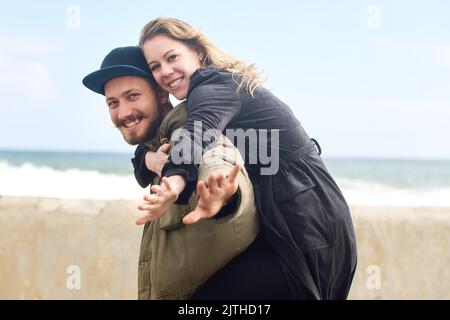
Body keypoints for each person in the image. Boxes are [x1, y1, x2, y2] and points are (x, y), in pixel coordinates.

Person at [132, 17, 357, 299]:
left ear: (197, 51)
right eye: (155, 66)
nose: (166, 71)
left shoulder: (215, 83)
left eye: (172, 57)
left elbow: (198, 131)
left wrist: (174, 183)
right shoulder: (204, 94)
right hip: (282, 217)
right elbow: (162, 139)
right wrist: (150, 159)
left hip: (306, 221)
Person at [82, 46, 261, 299]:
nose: (123, 113)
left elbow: (217, 153)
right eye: (113, 103)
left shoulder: (186, 128)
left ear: (161, 94)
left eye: (132, 96)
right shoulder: (156, 147)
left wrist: (224, 193)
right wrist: (146, 159)